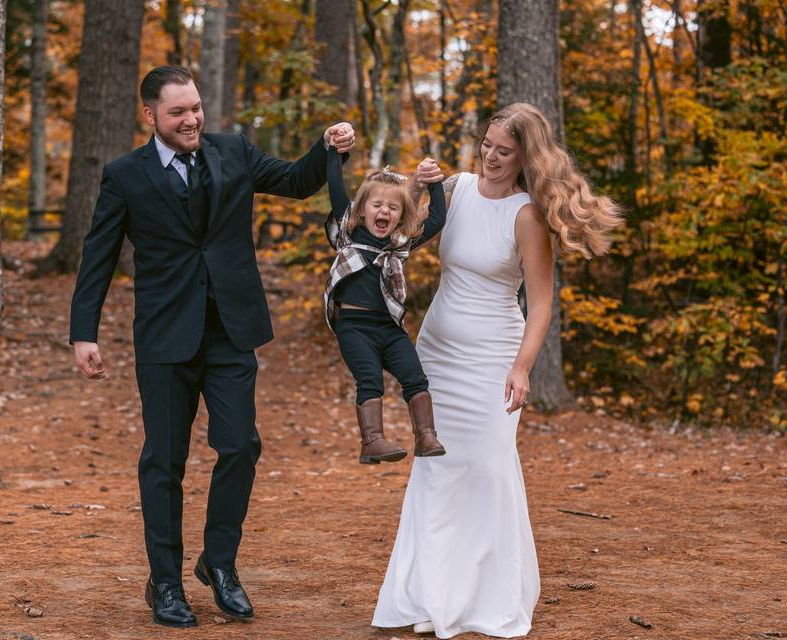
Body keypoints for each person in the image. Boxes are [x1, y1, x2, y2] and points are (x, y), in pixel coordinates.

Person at [68, 64, 355, 629]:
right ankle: (167, 583)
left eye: (195, 108)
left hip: (231, 331)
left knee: (241, 446)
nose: (192, 119)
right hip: (165, 337)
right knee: (164, 462)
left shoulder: (233, 151)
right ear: (150, 115)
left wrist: (328, 147)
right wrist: (84, 333)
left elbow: (298, 182)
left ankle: (219, 565)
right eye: (178, 112)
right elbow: (97, 256)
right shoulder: (124, 175)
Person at [372, 103, 622, 638]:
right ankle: (429, 596)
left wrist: (523, 367)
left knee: (487, 468)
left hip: (493, 357)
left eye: (503, 151)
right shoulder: (457, 188)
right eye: (486, 145)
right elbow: (400, 235)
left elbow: (542, 304)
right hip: (437, 349)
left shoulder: (526, 215)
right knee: (435, 468)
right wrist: (416, 190)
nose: (490, 156)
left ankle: (491, 596)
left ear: (524, 156)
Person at [323, 148, 447, 464]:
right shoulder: (349, 234)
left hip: (389, 329)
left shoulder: (400, 245)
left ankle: (426, 435)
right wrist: (337, 154)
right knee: (370, 380)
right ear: (361, 210)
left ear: (400, 216)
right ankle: (372, 441)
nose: (384, 212)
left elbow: (436, 219)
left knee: (415, 377)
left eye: (393, 208)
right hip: (354, 327)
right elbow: (336, 187)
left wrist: (434, 184)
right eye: (377, 205)